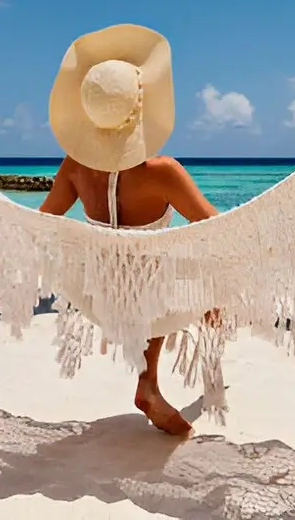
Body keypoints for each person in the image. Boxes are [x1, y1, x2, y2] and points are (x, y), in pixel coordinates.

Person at [37, 23, 219, 436]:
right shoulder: (162, 173)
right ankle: (149, 382)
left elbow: (43, 221)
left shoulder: (74, 167)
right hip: (151, 297)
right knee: (193, 271)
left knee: (148, 267)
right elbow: (217, 229)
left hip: (103, 291)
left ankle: (150, 382)